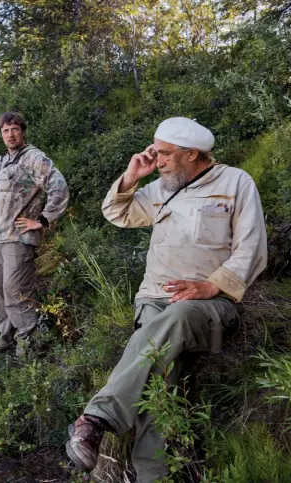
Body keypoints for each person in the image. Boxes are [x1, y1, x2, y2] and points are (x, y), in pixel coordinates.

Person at [66, 117, 267, 482]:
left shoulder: (236, 182)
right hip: (153, 301)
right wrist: (131, 178)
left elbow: (251, 248)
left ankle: (96, 419)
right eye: (154, 151)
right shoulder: (163, 187)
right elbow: (118, 213)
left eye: (163, 153)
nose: (156, 159)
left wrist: (211, 286)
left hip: (211, 305)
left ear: (191, 154)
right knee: (159, 381)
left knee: (178, 317)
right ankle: (152, 477)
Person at [0, 112, 69, 356]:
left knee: (17, 294)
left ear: (22, 131)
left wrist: (43, 220)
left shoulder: (33, 158)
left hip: (20, 238)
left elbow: (59, 186)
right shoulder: (3, 161)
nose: (10, 134)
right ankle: (6, 339)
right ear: (1, 134)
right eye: (5, 130)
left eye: (14, 129)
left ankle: (30, 348)